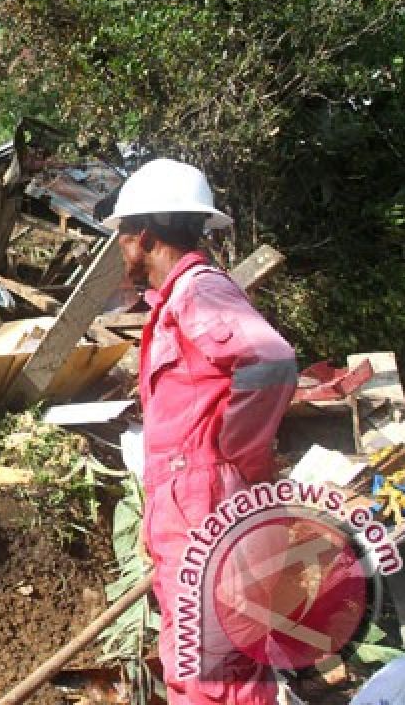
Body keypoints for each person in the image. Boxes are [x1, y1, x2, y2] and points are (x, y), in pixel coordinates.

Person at [102, 158, 299, 704]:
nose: (121, 249)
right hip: (189, 505)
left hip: (205, 503)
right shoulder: (175, 303)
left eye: (122, 237)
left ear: (143, 238)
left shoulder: (198, 292)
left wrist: (232, 448)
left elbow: (272, 362)